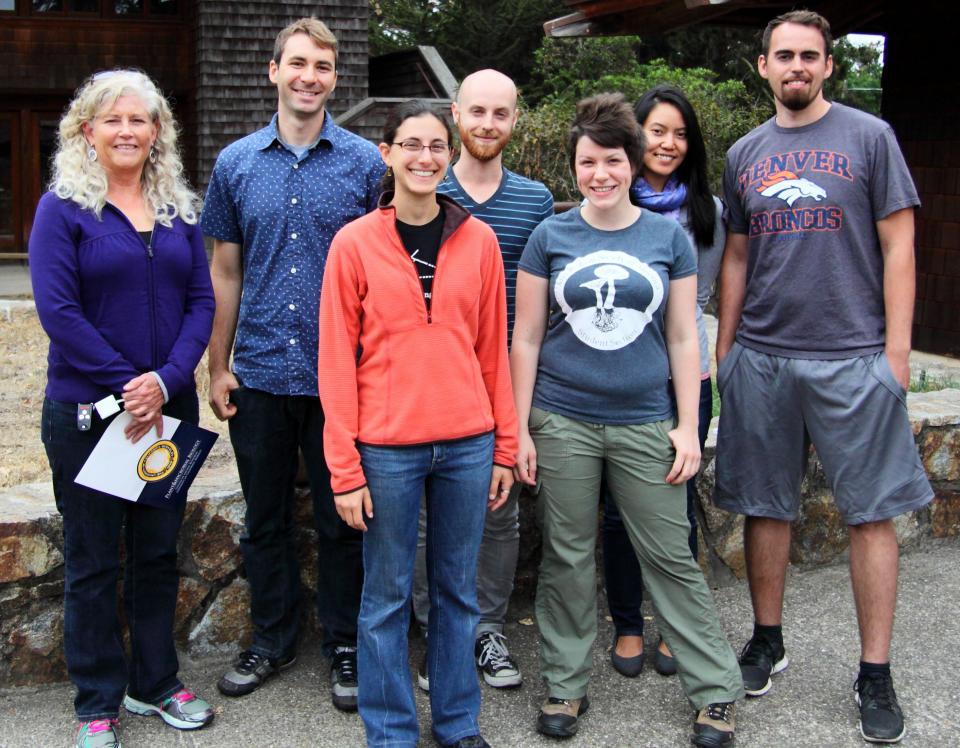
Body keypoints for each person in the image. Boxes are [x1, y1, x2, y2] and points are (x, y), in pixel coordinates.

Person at [714, 10, 933, 745]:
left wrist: (895, 355)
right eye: (785, 55)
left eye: (810, 55)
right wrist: (728, 351)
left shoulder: (870, 138)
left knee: (871, 514)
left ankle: (875, 670)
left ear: (829, 66)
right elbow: (737, 257)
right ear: (763, 66)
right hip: (764, 358)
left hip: (853, 355)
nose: (797, 66)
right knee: (764, 506)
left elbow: (899, 245)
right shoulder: (745, 152)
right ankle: (767, 638)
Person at [511, 92, 743, 746]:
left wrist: (687, 424)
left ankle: (714, 689)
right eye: (588, 162)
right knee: (567, 554)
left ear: (632, 162)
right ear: (574, 166)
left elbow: (680, 336)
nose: (600, 174)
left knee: (670, 555)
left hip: (647, 421)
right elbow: (526, 336)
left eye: (613, 160)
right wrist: (520, 426)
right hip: (562, 420)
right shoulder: (549, 236)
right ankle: (565, 682)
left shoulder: (667, 236)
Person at [318, 100, 518, 748]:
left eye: (436, 145)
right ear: (387, 153)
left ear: (449, 151)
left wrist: (505, 448)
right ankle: (392, 731)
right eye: (411, 144)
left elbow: (495, 349)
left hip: (467, 442)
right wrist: (344, 468)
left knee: (458, 593)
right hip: (386, 449)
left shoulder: (479, 241)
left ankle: (459, 722)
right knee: (386, 597)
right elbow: (335, 364)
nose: (425, 157)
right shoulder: (354, 244)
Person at [200, 17, 384, 711]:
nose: (310, 76)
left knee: (344, 521)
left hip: (343, 379)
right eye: (298, 63)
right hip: (260, 375)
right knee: (266, 519)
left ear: (335, 78)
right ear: (273, 70)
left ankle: (343, 641)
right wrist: (218, 368)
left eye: (324, 67)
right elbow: (226, 272)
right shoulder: (236, 164)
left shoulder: (367, 165)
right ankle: (272, 637)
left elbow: (383, 274)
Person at [29, 69, 216, 748]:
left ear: (157, 131)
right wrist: (129, 382)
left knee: (158, 552)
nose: (128, 131)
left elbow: (202, 301)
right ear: (87, 131)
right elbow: (59, 311)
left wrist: (165, 381)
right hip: (89, 412)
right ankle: (98, 701)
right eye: (113, 119)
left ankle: (155, 683)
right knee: (94, 560)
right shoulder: (62, 208)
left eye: (140, 120)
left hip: (167, 410)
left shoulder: (178, 210)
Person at [412, 68, 554, 692]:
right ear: (455, 114)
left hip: (502, 378)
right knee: (422, 514)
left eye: (500, 113)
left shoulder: (535, 201)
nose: (487, 124)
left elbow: (539, 309)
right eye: (477, 112)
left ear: (514, 120)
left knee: (499, 510)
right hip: (429, 380)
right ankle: (433, 630)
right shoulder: (420, 185)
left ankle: (486, 629)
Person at [601, 85, 726, 679]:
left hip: (683, 379)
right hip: (615, 379)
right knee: (616, 510)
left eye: (679, 133)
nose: (668, 143)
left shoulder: (710, 214)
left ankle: (677, 626)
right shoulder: (604, 204)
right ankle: (627, 623)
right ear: (634, 136)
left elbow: (700, 301)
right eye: (656, 130)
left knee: (678, 501)